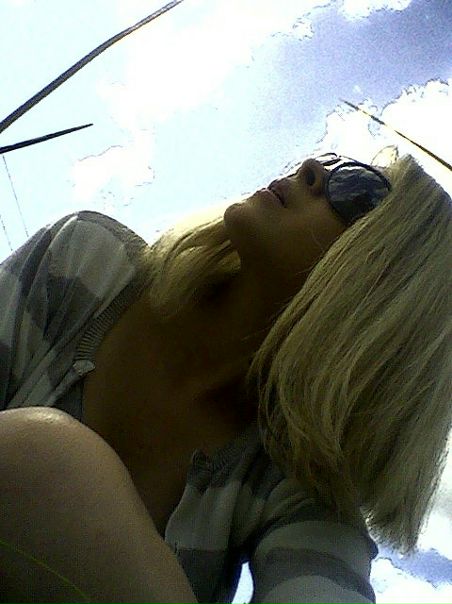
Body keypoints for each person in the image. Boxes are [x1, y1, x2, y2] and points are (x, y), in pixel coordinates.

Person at [0, 148, 450, 603]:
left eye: (359, 189)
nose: (312, 170)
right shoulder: (85, 262)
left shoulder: (299, 495)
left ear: (394, 292)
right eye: (329, 159)